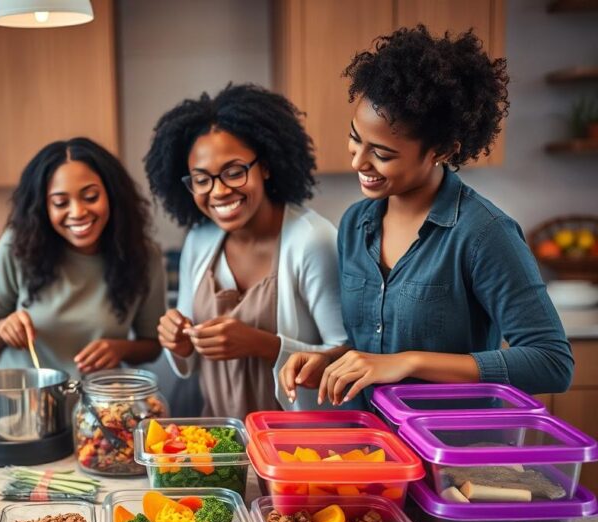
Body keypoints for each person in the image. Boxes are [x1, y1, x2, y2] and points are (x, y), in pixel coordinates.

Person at [280, 26, 573, 408]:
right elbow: (373, 346)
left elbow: (552, 362)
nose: (357, 161)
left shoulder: (484, 234)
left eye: (382, 154)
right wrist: (330, 361)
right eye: (355, 138)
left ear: (440, 150)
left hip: (454, 452)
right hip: (373, 448)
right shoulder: (355, 224)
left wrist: (409, 363)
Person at [144, 84, 348, 417]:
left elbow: (346, 356)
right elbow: (190, 357)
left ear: (265, 166)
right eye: (201, 179)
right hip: (223, 436)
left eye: (234, 172)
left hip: (300, 442)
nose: (219, 191)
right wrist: (179, 342)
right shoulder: (199, 240)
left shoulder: (312, 240)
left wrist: (261, 344)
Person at [0, 137, 165, 377]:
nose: (77, 212)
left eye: (91, 197)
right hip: (23, 397)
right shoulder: (18, 246)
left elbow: (152, 345)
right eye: (61, 202)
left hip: (98, 403)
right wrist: (3, 328)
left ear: (112, 195)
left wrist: (121, 348)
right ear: (44, 208)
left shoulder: (143, 256)